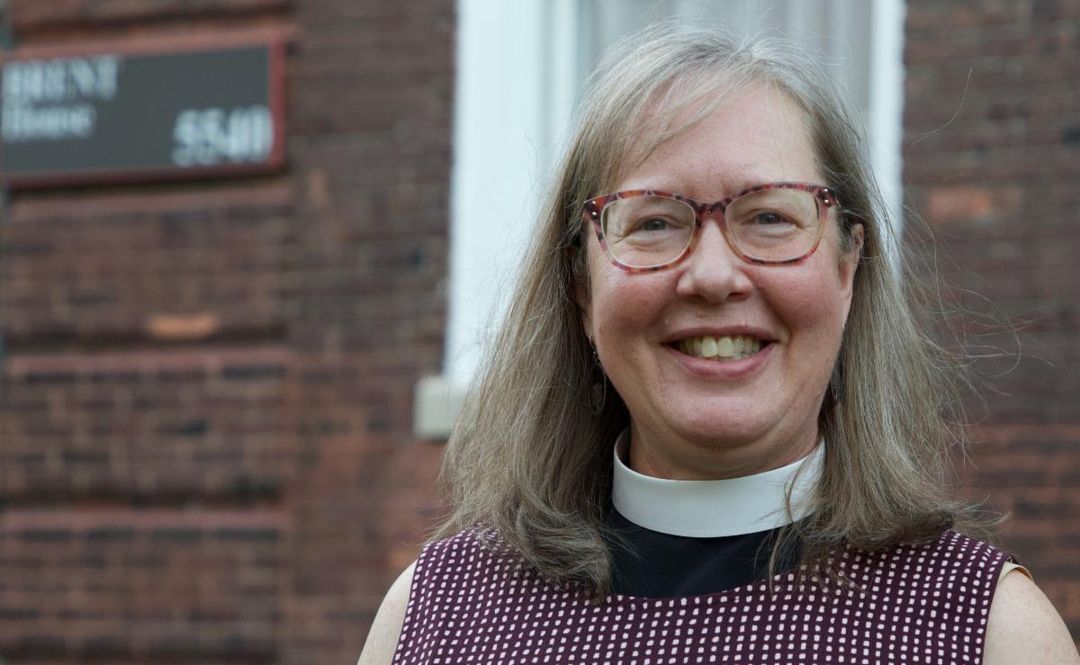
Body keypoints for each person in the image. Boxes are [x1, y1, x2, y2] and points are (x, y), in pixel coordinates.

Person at [360, 24, 1080, 664]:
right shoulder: (433, 618)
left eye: (769, 216)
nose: (711, 275)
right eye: (654, 223)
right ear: (582, 284)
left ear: (848, 265)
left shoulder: (983, 633)